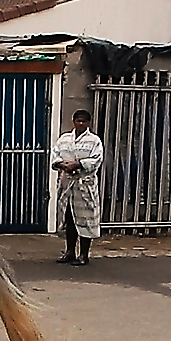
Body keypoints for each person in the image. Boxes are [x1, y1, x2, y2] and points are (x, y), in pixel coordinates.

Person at [51, 109, 104, 266]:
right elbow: (55, 155)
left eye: (84, 121)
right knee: (70, 219)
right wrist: (62, 164)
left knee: (85, 220)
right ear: (73, 121)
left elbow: (96, 160)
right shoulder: (64, 139)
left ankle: (84, 254)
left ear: (88, 123)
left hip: (84, 186)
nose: (80, 123)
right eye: (78, 121)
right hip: (68, 184)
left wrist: (79, 164)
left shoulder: (94, 141)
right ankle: (69, 251)